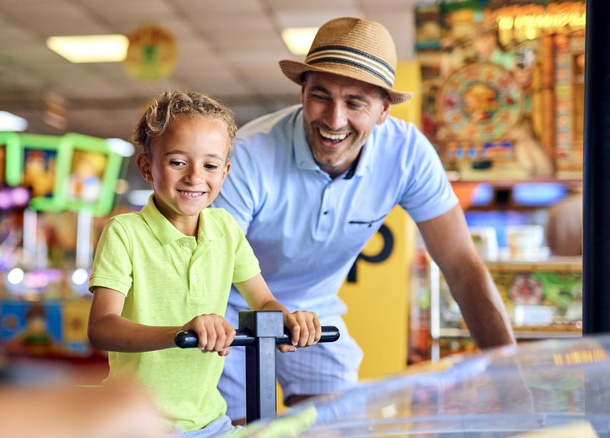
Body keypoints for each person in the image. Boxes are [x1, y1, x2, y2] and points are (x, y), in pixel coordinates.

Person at [213, 17, 516, 424]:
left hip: (313, 313)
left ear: (383, 110)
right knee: (231, 429)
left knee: (341, 426)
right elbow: (210, 268)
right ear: (302, 91)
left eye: (355, 103)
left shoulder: (408, 154)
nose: (334, 120)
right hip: (225, 308)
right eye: (320, 96)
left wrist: (512, 380)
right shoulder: (249, 154)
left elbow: (462, 266)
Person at [86, 91, 323, 437]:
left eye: (210, 165)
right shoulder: (125, 232)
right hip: (141, 421)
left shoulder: (225, 228)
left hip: (210, 421)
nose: (195, 177)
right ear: (146, 168)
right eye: (178, 162)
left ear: (225, 172)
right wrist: (182, 332)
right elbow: (102, 327)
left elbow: (263, 301)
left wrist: (287, 318)